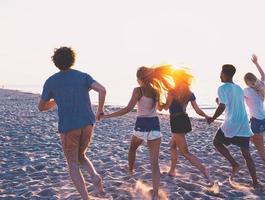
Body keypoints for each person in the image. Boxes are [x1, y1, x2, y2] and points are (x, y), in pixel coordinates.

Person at [38, 47, 106, 200]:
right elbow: (102, 90)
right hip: (88, 123)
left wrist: (55, 101)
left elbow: (41, 107)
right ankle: (95, 177)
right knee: (81, 154)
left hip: (69, 127)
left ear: (55, 62)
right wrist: (99, 111)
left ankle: (86, 198)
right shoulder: (83, 76)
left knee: (73, 164)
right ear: (72, 59)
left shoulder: (51, 81)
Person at [102, 65, 173, 200]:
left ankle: (130, 171)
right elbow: (161, 108)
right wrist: (167, 101)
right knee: (154, 163)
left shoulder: (138, 91)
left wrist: (107, 116)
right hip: (154, 127)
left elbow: (128, 109)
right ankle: (155, 194)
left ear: (139, 79)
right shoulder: (156, 91)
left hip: (141, 126)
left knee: (132, 148)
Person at [159, 68, 217, 187]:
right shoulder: (189, 92)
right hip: (184, 120)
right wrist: (206, 116)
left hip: (176, 121)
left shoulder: (172, 91)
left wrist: (158, 102)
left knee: (185, 152)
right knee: (172, 146)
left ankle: (206, 173)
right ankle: (172, 171)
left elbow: (165, 107)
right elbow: (197, 110)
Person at [207, 64, 262, 189]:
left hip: (231, 123)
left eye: (221, 73)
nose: (220, 75)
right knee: (246, 154)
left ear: (225, 74)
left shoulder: (222, 88)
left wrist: (212, 118)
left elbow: (222, 106)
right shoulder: (238, 88)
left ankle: (234, 164)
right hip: (243, 123)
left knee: (217, 142)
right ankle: (256, 182)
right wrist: (220, 102)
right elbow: (233, 103)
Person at [244, 54, 265, 181]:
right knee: (253, 139)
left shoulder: (246, 90)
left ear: (246, 81)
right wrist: (256, 63)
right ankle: (263, 147)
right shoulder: (261, 85)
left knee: (260, 149)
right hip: (264, 120)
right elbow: (263, 75)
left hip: (256, 122)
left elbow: (237, 100)